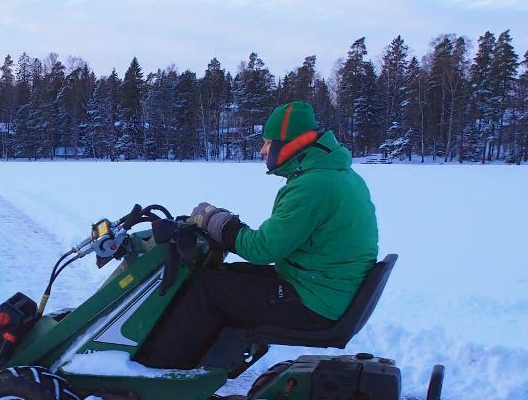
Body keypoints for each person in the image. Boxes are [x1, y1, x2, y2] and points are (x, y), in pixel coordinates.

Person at [136, 101, 378, 369]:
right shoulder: (333, 174)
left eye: (267, 142)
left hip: (316, 300)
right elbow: (283, 238)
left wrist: (217, 223)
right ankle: (199, 360)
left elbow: (263, 249)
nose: (262, 151)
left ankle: (158, 371)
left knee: (208, 290)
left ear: (290, 144)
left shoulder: (313, 186)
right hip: (324, 286)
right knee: (226, 276)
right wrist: (224, 228)